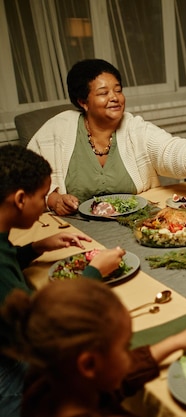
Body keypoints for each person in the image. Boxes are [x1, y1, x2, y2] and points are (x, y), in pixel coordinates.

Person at [0, 279, 186, 417]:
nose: (129, 352)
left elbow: (104, 385)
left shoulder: (48, 384)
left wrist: (172, 343)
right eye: (125, 346)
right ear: (89, 363)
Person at [0, 145, 125, 416]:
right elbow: (44, 329)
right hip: (10, 380)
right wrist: (93, 273)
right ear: (20, 199)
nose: (47, 202)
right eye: (43, 196)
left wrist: (35, 247)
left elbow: (7, 255)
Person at [27, 58, 186, 215]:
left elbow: (167, 149)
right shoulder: (58, 128)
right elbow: (27, 177)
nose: (115, 97)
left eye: (118, 90)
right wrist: (53, 199)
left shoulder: (134, 127)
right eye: (104, 93)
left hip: (137, 222)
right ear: (83, 102)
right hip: (74, 229)